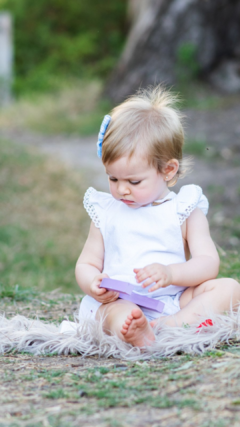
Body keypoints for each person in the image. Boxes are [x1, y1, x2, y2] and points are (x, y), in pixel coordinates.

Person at [75, 86, 240, 347]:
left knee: (229, 288)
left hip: (174, 300)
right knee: (112, 313)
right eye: (113, 178)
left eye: (134, 180)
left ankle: (168, 326)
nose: (121, 189)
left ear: (168, 170)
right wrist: (93, 282)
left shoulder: (184, 210)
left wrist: (171, 273)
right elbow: (86, 263)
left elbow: (208, 263)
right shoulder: (106, 211)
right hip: (121, 300)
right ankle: (131, 329)